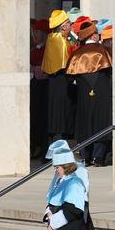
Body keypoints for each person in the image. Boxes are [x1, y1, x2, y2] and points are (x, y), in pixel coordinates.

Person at [66, 18, 113, 165]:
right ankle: (98, 156)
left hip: (83, 95)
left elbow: (70, 78)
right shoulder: (103, 51)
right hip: (102, 94)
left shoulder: (77, 54)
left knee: (84, 122)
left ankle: (85, 156)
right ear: (93, 35)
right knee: (101, 122)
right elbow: (110, 71)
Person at [42, 9, 75, 143]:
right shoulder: (59, 40)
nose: (71, 25)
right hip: (60, 79)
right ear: (63, 26)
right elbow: (64, 62)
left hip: (55, 80)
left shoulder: (53, 38)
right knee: (60, 110)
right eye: (69, 23)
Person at [30, 18, 50, 156]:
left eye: (37, 32)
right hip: (34, 84)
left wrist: (35, 68)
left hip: (43, 86)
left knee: (41, 117)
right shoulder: (34, 48)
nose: (35, 35)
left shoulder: (47, 49)